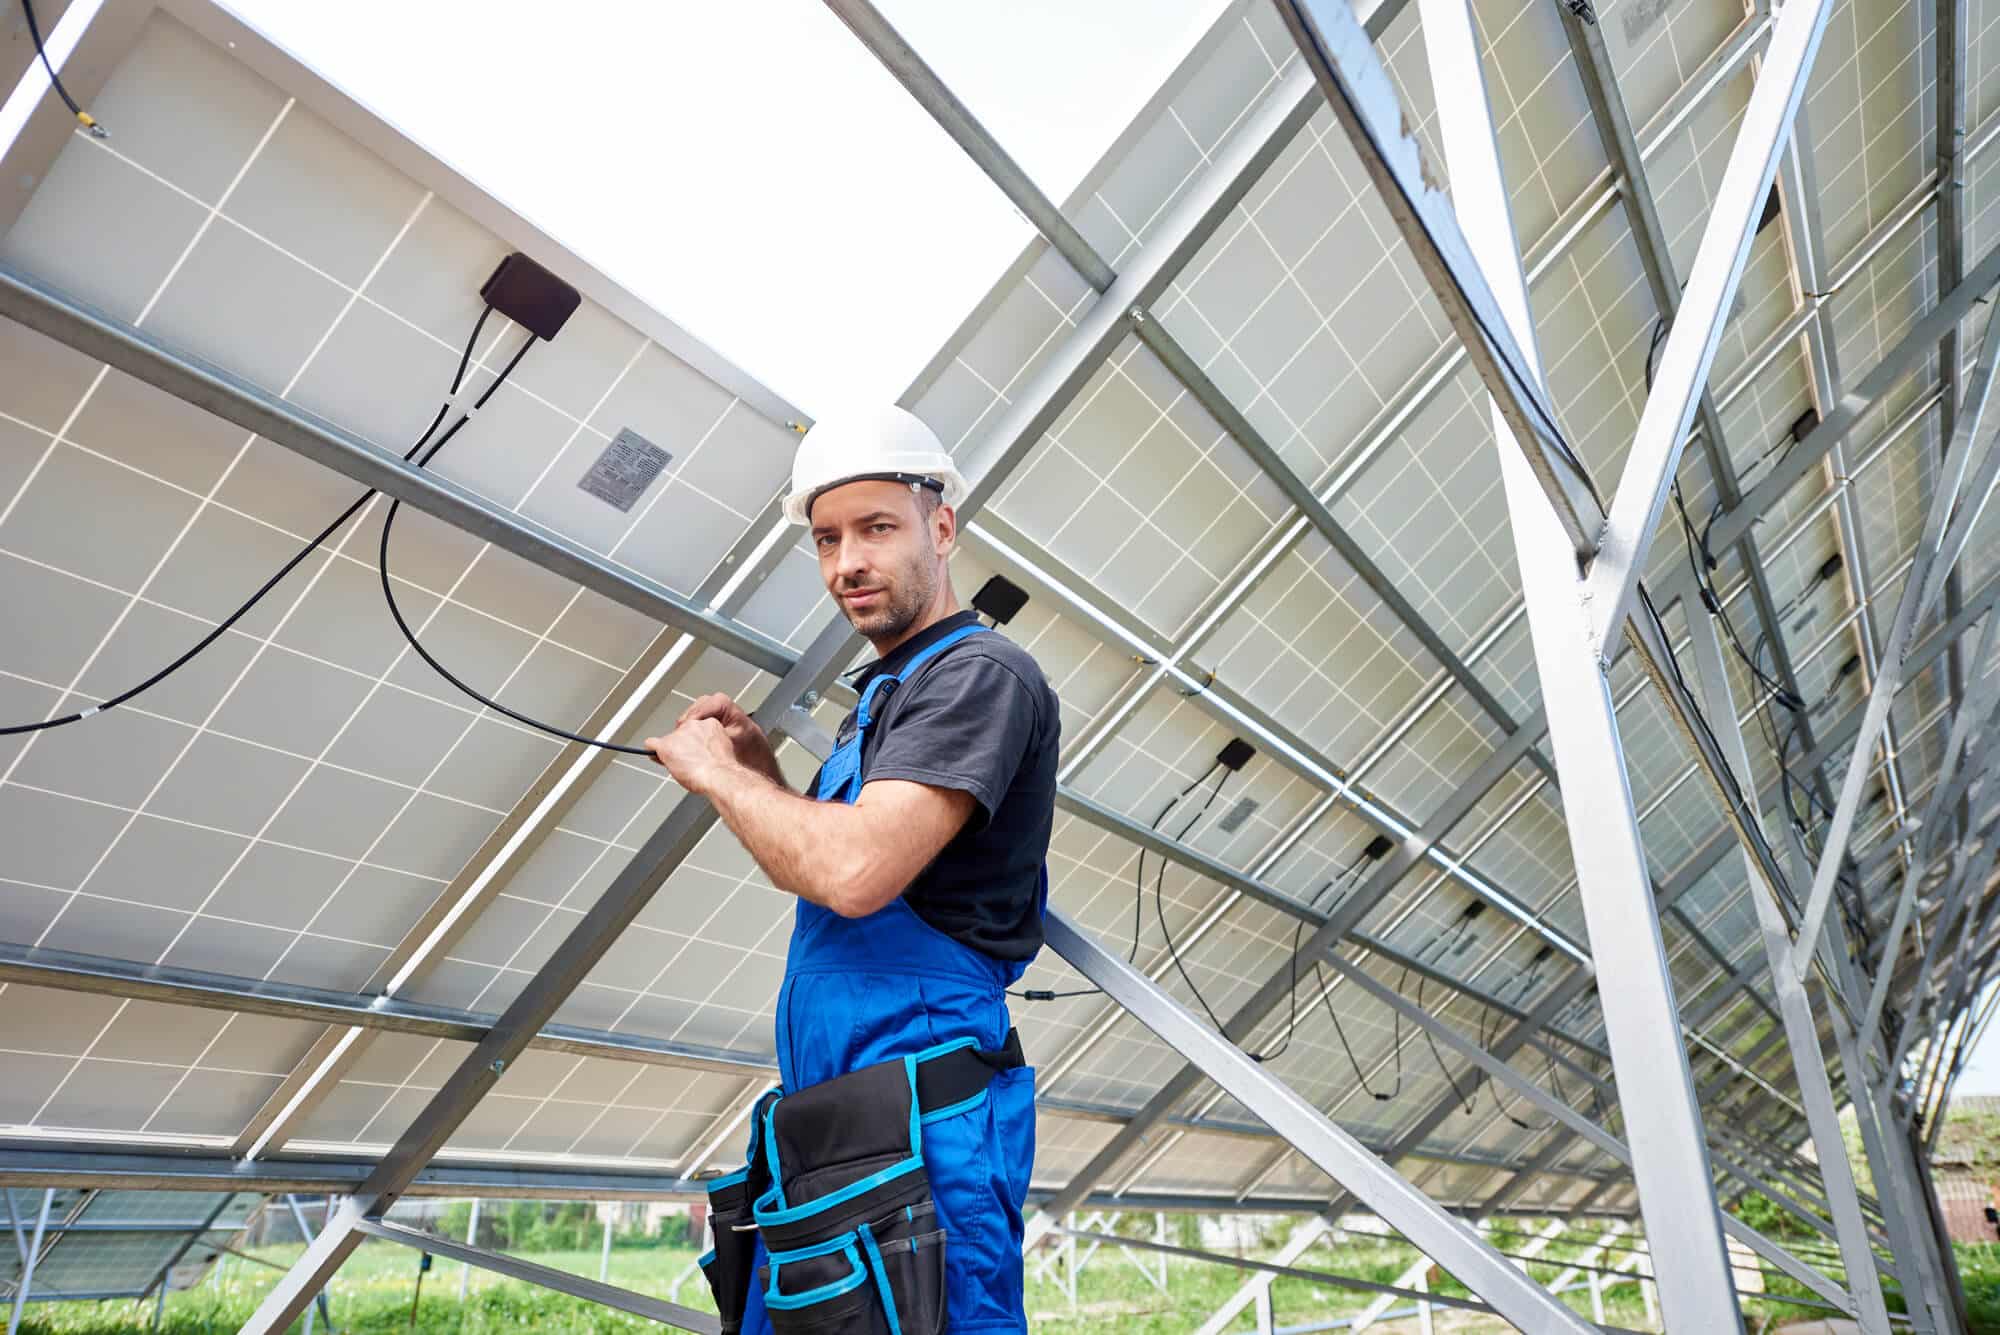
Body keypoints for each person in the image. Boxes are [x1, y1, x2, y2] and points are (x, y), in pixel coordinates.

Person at [646, 404, 1059, 1335]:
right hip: (840, 1122)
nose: (847, 563)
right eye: (827, 539)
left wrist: (714, 777)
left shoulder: (976, 676)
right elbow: (825, 863)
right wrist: (760, 775)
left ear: (941, 525)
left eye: (877, 528)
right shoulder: (886, 696)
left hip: (923, 1130)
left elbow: (858, 870)